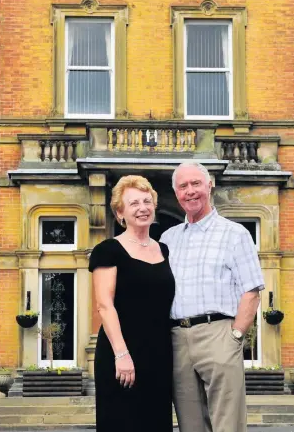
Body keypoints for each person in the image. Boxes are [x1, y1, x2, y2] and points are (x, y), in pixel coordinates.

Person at [160, 162, 265, 432]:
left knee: (227, 423)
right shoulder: (168, 239)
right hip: (177, 340)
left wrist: (236, 336)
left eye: (196, 183)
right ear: (176, 192)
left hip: (218, 332)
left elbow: (251, 291)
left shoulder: (235, 234)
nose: (190, 191)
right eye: (183, 186)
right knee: (190, 424)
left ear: (210, 185)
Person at [88, 175, 175, 432]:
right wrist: (122, 354)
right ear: (120, 212)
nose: (143, 208)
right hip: (121, 354)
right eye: (134, 203)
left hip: (159, 354)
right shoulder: (108, 250)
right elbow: (105, 305)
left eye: (147, 201)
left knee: (156, 423)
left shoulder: (164, 250)